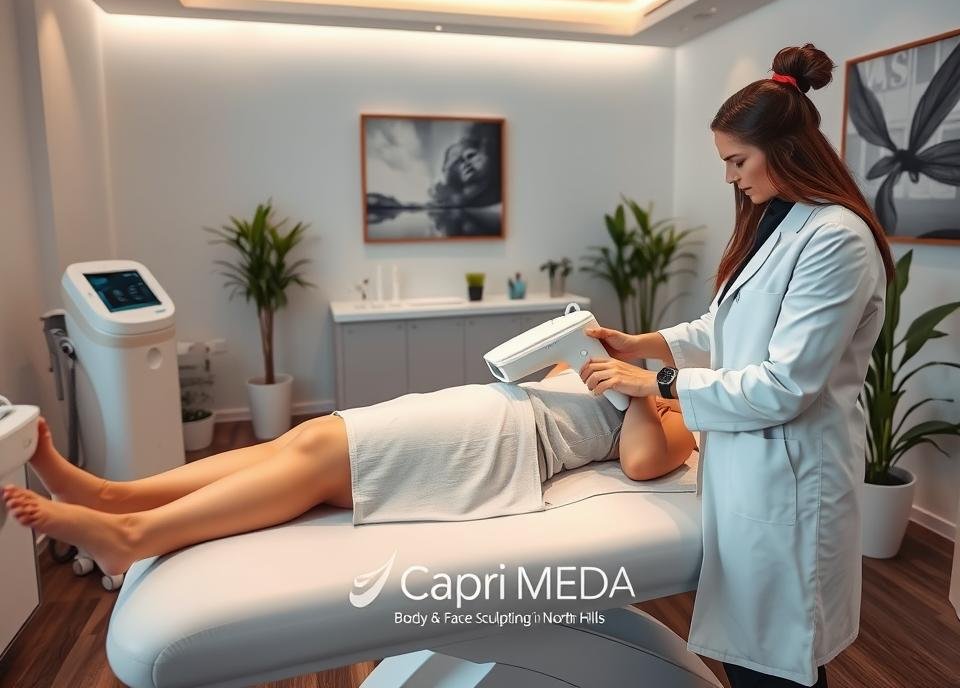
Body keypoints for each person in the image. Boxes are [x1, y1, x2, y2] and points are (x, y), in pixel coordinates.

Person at [579, 44, 894, 688]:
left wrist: (658, 383)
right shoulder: (779, 226)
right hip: (751, 468)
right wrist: (641, 343)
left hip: (793, 476)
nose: (730, 178)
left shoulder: (835, 238)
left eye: (737, 161)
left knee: (780, 664)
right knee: (752, 657)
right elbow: (725, 331)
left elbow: (785, 384)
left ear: (786, 150)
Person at [1, 361, 696, 579]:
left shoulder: (680, 420)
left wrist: (641, 391)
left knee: (320, 457)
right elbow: (543, 379)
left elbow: (640, 461)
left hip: (501, 443)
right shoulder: (631, 380)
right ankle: (110, 493)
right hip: (485, 407)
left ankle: (136, 535)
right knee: (308, 439)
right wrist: (574, 357)